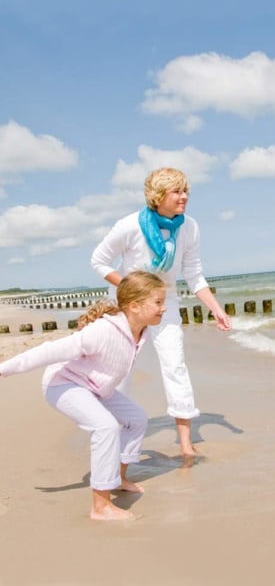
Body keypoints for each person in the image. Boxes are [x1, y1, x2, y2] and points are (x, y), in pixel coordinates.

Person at [0, 270, 167, 521]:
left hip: (97, 388)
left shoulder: (141, 331)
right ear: (134, 306)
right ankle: (100, 506)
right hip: (64, 384)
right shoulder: (102, 331)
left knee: (138, 418)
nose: (164, 308)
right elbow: (49, 351)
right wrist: (4, 369)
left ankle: (119, 478)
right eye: (158, 302)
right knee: (106, 427)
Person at [90, 167, 232, 457]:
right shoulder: (129, 226)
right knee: (123, 370)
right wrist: (133, 288)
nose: (184, 196)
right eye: (177, 191)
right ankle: (115, 436)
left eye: (186, 191)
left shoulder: (189, 227)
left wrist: (216, 309)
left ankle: (186, 444)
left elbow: (193, 273)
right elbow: (99, 261)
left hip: (164, 305)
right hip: (127, 307)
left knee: (175, 366)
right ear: (158, 196)